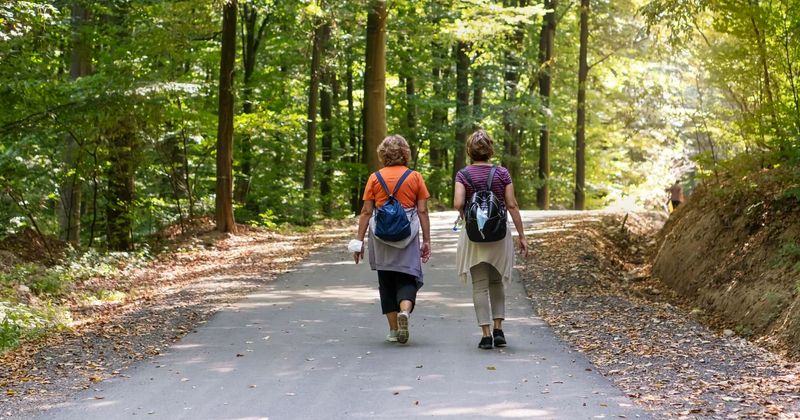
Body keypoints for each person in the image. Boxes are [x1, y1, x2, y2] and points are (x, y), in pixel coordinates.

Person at [353, 135, 431, 345]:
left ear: (383, 154)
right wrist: (427, 240)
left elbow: (366, 212)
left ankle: (394, 329)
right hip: (408, 234)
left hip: (381, 236)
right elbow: (422, 211)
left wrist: (358, 241)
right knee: (408, 277)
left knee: (386, 281)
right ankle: (404, 311)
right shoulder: (415, 177)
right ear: (405, 153)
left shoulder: (374, 178)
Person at [453, 130, 528, 350]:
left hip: (474, 236)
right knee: (497, 282)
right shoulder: (502, 173)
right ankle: (499, 330)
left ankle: (485, 335)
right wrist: (522, 235)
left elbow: (458, 202)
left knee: (480, 286)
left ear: (470, 150)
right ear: (490, 150)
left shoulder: (463, 174)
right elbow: (511, 204)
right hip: (498, 234)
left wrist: (466, 215)